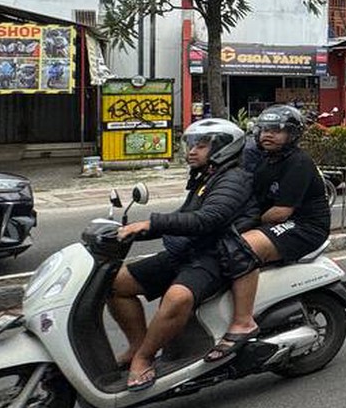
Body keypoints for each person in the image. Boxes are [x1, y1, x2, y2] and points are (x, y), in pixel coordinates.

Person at [107, 118, 256, 392]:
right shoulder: (206, 176)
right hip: (189, 250)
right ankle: (137, 345)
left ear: (224, 149)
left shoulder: (234, 178)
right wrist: (136, 230)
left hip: (215, 255)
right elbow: (185, 217)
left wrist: (153, 223)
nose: (191, 152)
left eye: (200, 146)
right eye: (190, 145)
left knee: (178, 297)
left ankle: (144, 358)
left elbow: (208, 219)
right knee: (116, 283)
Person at [206, 104, 332, 362]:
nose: (268, 135)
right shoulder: (262, 160)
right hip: (277, 222)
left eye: (277, 130)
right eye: (265, 129)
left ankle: (243, 322)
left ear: (293, 134)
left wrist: (244, 222)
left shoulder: (299, 162)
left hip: (304, 226)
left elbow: (281, 213)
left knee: (243, 246)